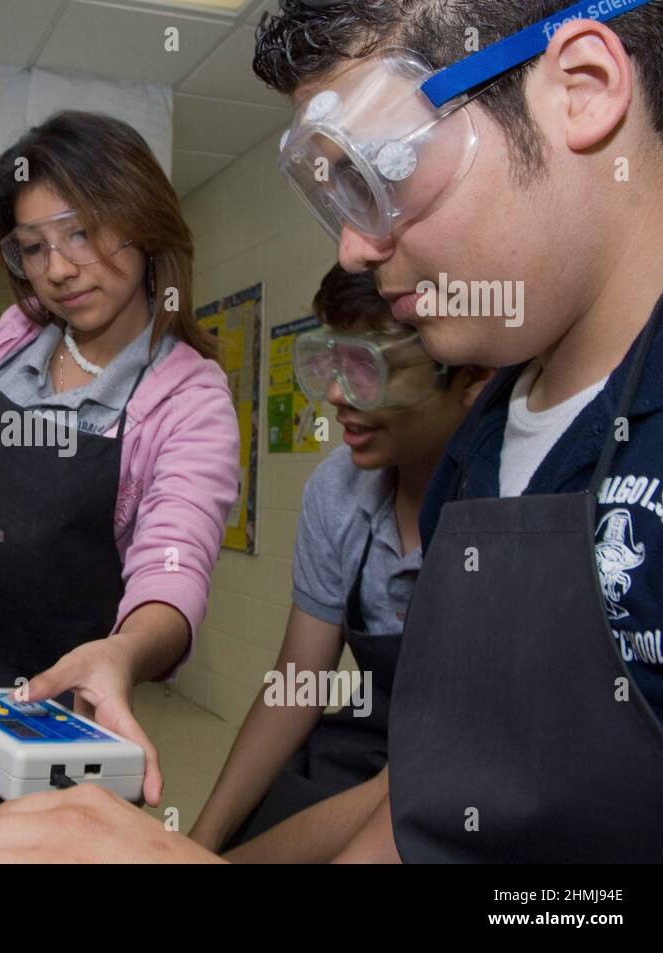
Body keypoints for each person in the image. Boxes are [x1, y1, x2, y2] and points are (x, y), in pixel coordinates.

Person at [0, 0, 663, 863]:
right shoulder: (482, 457)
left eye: (384, 166)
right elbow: (437, 794)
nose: (355, 245)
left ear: (583, 90)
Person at [0, 111, 240, 805]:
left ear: (144, 222)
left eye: (83, 233)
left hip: (46, 721)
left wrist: (123, 654)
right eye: (33, 248)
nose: (59, 269)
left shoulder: (189, 395)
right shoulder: (18, 332)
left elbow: (172, 565)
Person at [189, 265, 488, 860]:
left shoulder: (504, 504)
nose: (334, 395)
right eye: (331, 361)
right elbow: (299, 684)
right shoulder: (337, 491)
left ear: (470, 376)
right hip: (364, 746)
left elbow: (419, 784)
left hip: (467, 774)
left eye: (369, 367)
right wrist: (199, 843)